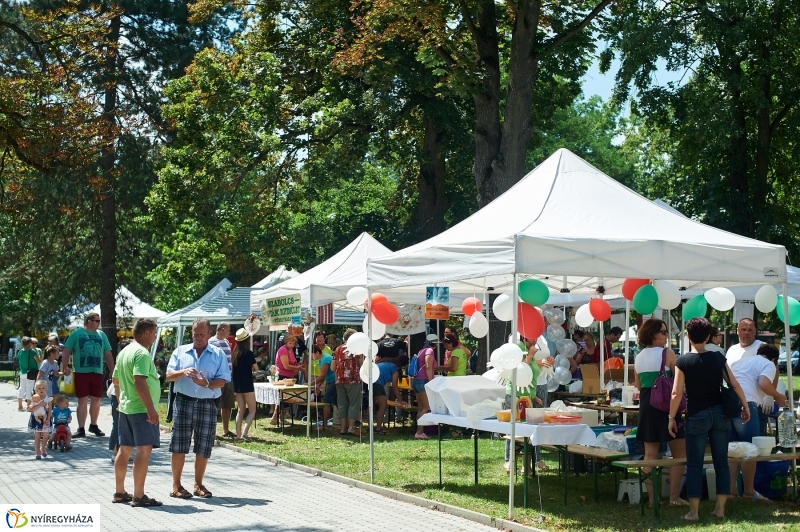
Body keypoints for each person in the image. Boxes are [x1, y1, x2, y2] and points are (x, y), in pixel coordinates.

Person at [669, 317, 749, 521]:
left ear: (687, 336)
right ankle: (720, 509)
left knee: (694, 464)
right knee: (721, 462)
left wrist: (671, 417)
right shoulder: (717, 357)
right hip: (720, 413)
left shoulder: (683, 361)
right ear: (707, 337)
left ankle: (693, 512)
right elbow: (735, 384)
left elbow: (677, 393)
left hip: (696, 415)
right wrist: (745, 405)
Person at [166, 318, 231, 499]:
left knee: (204, 446)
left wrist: (207, 383)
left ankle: (198, 484)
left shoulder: (218, 354)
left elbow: (223, 380)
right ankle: (176, 486)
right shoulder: (181, 351)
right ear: (191, 333)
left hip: (207, 404)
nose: (199, 337)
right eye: (196, 334)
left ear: (209, 334)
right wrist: (182, 372)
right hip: (183, 402)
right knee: (179, 445)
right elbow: (168, 376)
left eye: (202, 334)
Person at [633, 318, 688, 506]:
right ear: (653, 334)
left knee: (650, 455)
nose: (666, 335)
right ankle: (674, 497)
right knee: (679, 454)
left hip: (647, 406)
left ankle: (651, 499)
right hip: (667, 406)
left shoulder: (638, 357)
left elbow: (639, 386)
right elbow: (680, 383)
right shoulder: (668, 353)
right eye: (663, 332)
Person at [112, 318, 162, 508]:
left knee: (124, 450)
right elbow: (139, 380)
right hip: (141, 409)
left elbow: (115, 381)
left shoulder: (125, 351)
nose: (155, 336)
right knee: (144, 449)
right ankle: (138, 496)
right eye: (154, 333)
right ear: (147, 333)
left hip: (126, 407)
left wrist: (120, 401)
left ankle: (120, 491)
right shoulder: (141, 353)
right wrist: (150, 408)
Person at [728, 343, 786, 501]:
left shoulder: (740, 362)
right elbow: (763, 383)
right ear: (774, 359)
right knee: (750, 449)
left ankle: (731, 491)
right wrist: (777, 396)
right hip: (746, 404)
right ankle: (748, 492)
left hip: (728, 405)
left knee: (733, 449)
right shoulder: (768, 364)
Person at [62, 312, 114, 438]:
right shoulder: (77, 333)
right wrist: (65, 366)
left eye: (99, 321)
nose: (98, 323)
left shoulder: (102, 335)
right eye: (97, 321)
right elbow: (67, 350)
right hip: (81, 372)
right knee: (82, 400)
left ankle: (94, 425)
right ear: (89, 321)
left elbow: (107, 354)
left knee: (97, 400)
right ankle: (81, 428)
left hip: (97, 372)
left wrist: (112, 370)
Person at [503, 337, 544, 474]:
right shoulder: (518, 347)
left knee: (528, 429)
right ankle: (509, 461)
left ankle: (526, 466)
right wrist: (531, 354)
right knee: (514, 428)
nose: (535, 340)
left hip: (527, 395)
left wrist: (534, 396)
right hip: (515, 395)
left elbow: (529, 376)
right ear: (525, 336)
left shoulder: (527, 349)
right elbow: (519, 371)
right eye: (533, 337)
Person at [231, 328, 266, 440]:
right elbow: (255, 368)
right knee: (252, 410)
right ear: (246, 340)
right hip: (247, 384)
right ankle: (245, 433)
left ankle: (238, 435)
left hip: (237, 384)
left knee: (241, 409)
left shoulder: (234, 353)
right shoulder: (249, 353)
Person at [331, 329, 363, 436]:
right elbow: (361, 365)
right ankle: (351, 428)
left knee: (342, 404)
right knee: (353, 403)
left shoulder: (337, 349)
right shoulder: (357, 349)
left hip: (339, 379)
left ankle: (342, 428)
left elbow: (332, 367)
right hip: (353, 379)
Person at [270, 334, 306, 425]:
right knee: (282, 398)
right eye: (290, 343)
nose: (292, 345)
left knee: (286, 399)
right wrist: (298, 368)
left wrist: (298, 364)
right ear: (286, 342)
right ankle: (275, 417)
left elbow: (293, 363)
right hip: (282, 376)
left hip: (290, 376)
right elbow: (286, 366)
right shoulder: (283, 350)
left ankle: (280, 418)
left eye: (293, 343)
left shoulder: (290, 350)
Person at [207, 322, 235, 438]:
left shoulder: (227, 341)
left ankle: (226, 430)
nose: (229, 333)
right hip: (217, 378)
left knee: (227, 404)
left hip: (228, 378)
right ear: (222, 329)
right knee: (214, 405)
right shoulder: (211, 342)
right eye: (228, 330)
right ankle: (210, 430)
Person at [372, 354, 409, 434]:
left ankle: (370, 427)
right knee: (383, 406)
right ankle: (378, 429)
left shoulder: (388, 362)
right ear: (403, 364)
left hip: (370, 381)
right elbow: (395, 386)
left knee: (371, 405)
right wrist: (400, 401)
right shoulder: (395, 368)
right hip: (377, 383)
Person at [412, 336, 438, 440]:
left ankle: (419, 431)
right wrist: (431, 382)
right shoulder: (430, 351)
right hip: (423, 381)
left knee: (421, 409)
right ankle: (419, 432)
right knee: (426, 408)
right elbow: (428, 366)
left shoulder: (421, 351)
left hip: (416, 381)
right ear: (434, 343)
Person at [27, 380, 52, 459]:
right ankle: (37, 452)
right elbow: (30, 409)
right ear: (36, 390)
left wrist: (48, 419)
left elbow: (49, 410)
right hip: (36, 418)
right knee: (37, 436)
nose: (41, 390)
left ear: (46, 389)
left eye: (43, 388)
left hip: (45, 418)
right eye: (39, 388)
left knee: (46, 435)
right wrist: (40, 404)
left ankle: (43, 447)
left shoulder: (48, 399)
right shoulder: (34, 398)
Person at [17, 337, 41, 412]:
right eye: (31, 342)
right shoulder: (32, 352)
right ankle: (28, 406)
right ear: (28, 343)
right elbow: (38, 361)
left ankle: (20, 406)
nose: (32, 344)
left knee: (21, 388)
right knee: (29, 389)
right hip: (31, 372)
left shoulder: (20, 352)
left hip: (22, 372)